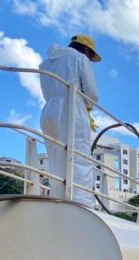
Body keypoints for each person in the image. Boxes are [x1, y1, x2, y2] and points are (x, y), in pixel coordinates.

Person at [39, 34, 102, 208]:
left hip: (48, 110)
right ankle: (81, 202)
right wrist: (88, 107)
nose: (90, 58)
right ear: (86, 49)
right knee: (78, 153)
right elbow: (92, 94)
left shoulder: (45, 63)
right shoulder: (80, 58)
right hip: (71, 107)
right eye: (91, 55)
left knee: (55, 156)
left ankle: (58, 195)